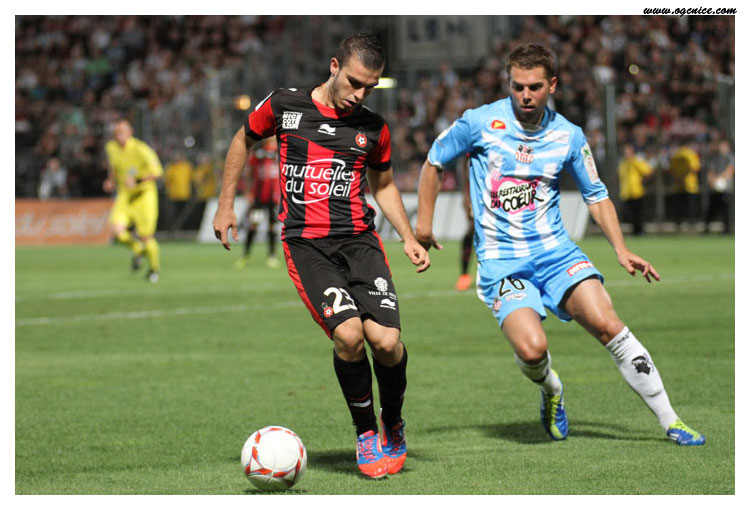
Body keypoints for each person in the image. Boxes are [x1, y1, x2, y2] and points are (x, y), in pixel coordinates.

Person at [416, 43, 704, 446]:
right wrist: (423, 225)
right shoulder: (479, 122)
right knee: (533, 350)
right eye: (517, 87)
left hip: (556, 254)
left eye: (534, 87)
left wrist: (620, 249)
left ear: (552, 84)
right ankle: (551, 389)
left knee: (608, 324)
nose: (525, 95)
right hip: (503, 262)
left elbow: (596, 195)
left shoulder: (569, 135)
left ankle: (672, 421)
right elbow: (434, 161)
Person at [212, 33, 431, 478]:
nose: (360, 94)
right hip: (307, 244)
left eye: (370, 87)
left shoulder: (373, 127)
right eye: (354, 82)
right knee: (349, 336)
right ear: (334, 66)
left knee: (387, 343)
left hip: (360, 242)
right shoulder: (285, 105)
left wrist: (407, 236)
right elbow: (242, 139)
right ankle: (366, 433)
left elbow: (384, 185)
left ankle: (393, 420)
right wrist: (225, 203)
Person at [103, 118, 163, 283]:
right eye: (116, 133)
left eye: (122, 132)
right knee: (117, 231)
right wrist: (111, 180)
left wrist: (137, 180)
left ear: (130, 133)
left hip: (144, 196)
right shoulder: (111, 147)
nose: (119, 136)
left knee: (146, 237)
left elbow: (158, 172)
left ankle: (153, 270)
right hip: (125, 195)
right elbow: (113, 167)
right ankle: (137, 248)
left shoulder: (141, 149)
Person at [234, 136, 281, 269]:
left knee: (272, 226)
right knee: (254, 224)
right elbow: (249, 173)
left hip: (274, 197)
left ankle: (272, 256)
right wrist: (248, 192)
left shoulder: (281, 150)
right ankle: (246, 255)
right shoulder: (259, 152)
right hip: (259, 197)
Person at [617, 143, 653, 236]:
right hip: (626, 192)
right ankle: (635, 230)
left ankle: (639, 231)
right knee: (629, 214)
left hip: (637, 191)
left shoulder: (637, 161)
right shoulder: (623, 163)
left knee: (638, 213)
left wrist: (643, 181)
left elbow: (648, 171)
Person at [703, 139, 734, 234]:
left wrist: (719, 179)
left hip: (726, 188)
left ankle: (727, 229)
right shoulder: (715, 158)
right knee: (711, 208)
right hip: (715, 188)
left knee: (725, 209)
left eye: (723, 146)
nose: (721, 148)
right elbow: (711, 171)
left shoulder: (730, 157)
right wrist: (712, 180)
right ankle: (707, 227)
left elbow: (730, 170)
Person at [668, 143, 701, 231]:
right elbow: (695, 168)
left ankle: (678, 224)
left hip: (678, 184)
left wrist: (678, 178)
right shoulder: (691, 154)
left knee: (679, 206)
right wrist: (684, 177)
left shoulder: (675, 155)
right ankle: (692, 224)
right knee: (691, 207)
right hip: (690, 185)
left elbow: (671, 170)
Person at [456, 156, 475, 291]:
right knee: (471, 231)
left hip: (496, 194)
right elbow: (464, 172)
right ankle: (464, 275)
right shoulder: (469, 153)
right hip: (475, 196)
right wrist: (466, 197)